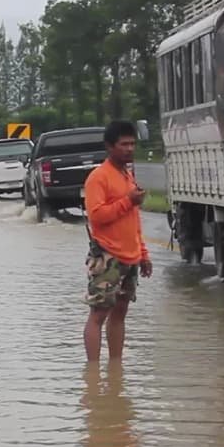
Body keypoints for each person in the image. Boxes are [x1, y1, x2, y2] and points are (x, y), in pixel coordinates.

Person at [82, 120, 152, 362]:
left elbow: (134, 219)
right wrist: (127, 201)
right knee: (99, 314)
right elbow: (97, 217)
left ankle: (116, 368)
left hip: (130, 256)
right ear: (109, 147)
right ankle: (92, 373)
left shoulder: (128, 176)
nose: (130, 149)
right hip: (107, 256)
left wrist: (143, 253)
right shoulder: (98, 178)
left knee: (120, 313)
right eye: (124, 144)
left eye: (132, 144)